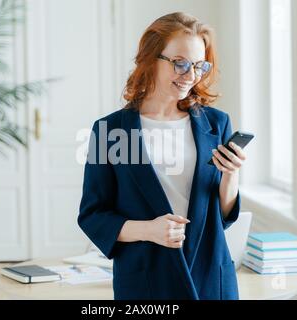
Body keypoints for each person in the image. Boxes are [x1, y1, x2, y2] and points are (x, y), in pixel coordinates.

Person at [78, 12, 247, 300]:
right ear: (150, 58)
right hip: (146, 279)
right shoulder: (110, 131)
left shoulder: (217, 124)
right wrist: (149, 230)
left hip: (209, 277)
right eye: (180, 63)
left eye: (198, 66)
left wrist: (231, 174)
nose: (190, 76)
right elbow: (93, 216)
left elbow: (223, 216)